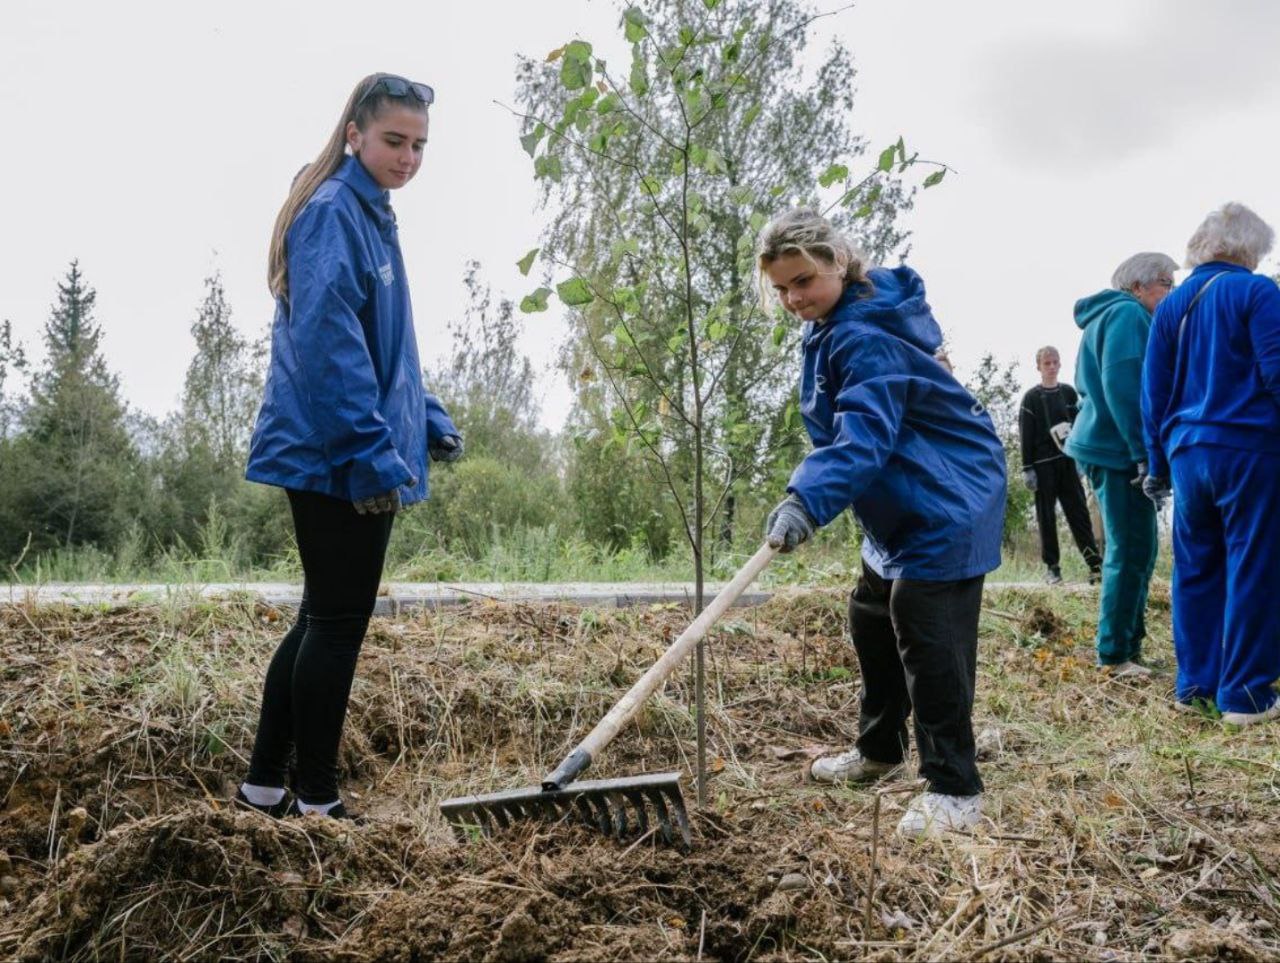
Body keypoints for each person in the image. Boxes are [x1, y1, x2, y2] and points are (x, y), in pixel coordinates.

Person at [238, 73, 463, 819]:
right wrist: (371, 453)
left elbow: (386, 343)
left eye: (420, 145)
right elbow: (331, 344)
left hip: (354, 444)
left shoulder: (372, 213)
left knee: (319, 618)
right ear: (354, 134)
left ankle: (266, 784)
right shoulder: (336, 210)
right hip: (335, 454)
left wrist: (423, 413)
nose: (408, 157)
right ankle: (318, 799)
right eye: (395, 140)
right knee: (337, 626)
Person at [757, 209, 1006, 838]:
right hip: (904, 492)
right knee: (871, 613)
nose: (792, 298)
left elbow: (863, 436)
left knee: (927, 630)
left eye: (803, 281)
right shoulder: (838, 320)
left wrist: (806, 500)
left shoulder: (861, 333)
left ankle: (955, 788)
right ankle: (880, 751)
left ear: (838, 261)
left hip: (947, 492)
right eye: (781, 287)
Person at [1142, 202, 1280, 724]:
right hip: (1248, 447)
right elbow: (1277, 371)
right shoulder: (1257, 291)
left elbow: (1153, 396)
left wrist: (1156, 464)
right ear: (1247, 249)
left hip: (1186, 455)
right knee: (1254, 563)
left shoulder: (1172, 306)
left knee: (1196, 569)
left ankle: (1195, 685)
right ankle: (1246, 695)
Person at [1063, 252, 1177, 679]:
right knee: (1130, 550)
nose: (1172, 291)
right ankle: (1115, 654)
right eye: (1166, 282)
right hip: (1118, 451)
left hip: (1108, 445)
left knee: (1139, 548)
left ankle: (1129, 645)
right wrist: (1144, 454)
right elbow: (1126, 388)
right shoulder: (1128, 315)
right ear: (1139, 286)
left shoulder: (1109, 315)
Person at [1018, 346, 1102, 585]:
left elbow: (1081, 424)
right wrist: (1027, 468)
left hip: (1068, 462)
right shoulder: (1031, 398)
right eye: (1047, 363)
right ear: (1038, 367)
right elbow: (1026, 433)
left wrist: (1082, 459)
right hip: (1043, 465)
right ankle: (1052, 568)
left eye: (1055, 362)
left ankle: (1094, 564)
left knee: (1079, 513)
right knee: (1046, 517)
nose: (1052, 367)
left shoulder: (1068, 393)